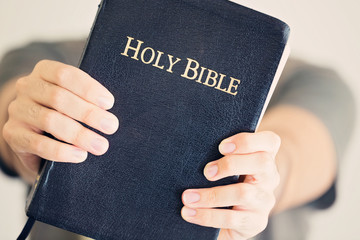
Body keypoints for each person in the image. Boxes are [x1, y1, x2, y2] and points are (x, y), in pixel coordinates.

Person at [0, 39, 355, 240]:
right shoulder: (51, 58)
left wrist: (259, 181)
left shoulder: (310, 82)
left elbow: (297, 148)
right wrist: (27, 128)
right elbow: (9, 108)